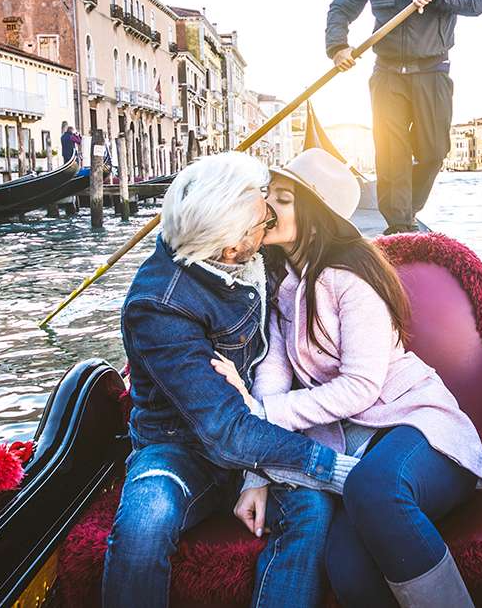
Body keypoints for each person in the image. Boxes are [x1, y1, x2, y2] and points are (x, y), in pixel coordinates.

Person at [214, 148, 482, 607]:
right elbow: (272, 376)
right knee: (344, 558)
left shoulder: (351, 281)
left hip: (422, 429)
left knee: (371, 486)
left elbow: (360, 386)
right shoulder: (286, 287)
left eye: (282, 199)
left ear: (315, 212)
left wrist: (262, 412)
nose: (266, 209)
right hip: (363, 448)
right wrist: (253, 474)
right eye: (269, 196)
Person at [102, 152, 362, 608]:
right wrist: (333, 470)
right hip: (182, 448)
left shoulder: (258, 256)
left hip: (261, 429)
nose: (268, 221)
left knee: (311, 513)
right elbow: (224, 429)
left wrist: (257, 474)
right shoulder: (157, 305)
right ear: (230, 249)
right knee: (146, 520)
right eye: (260, 221)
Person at [326, 0, 482, 235]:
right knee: (392, 157)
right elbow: (340, 8)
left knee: (433, 151)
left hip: (432, 69)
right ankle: (399, 228)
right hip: (387, 74)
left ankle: (405, 209)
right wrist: (338, 47)